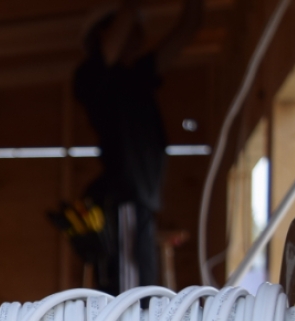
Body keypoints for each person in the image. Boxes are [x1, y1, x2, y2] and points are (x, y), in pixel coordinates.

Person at [73, 0, 202, 294]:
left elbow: (189, 29)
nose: (138, 34)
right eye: (130, 27)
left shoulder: (138, 76)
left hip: (139, 202)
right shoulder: (92, 77)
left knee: (141, 290)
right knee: (132, 297)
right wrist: (128, 10)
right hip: (123, 200)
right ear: (103, 33)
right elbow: (124, 20)